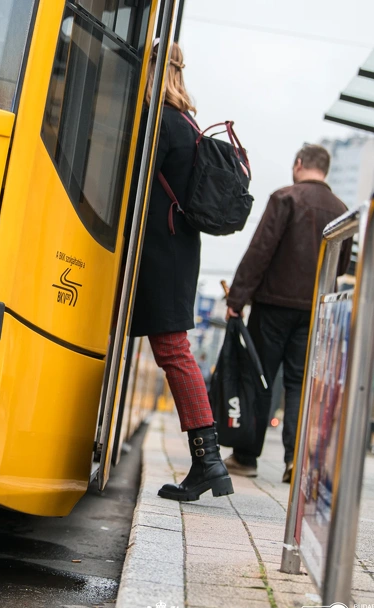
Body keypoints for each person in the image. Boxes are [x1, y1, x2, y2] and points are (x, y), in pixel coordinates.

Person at [131, 42, 233, 502]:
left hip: (162, 250)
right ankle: (204, 463)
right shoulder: (186, 120)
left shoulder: (162, 121)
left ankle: (208, 461)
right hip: (174, 248)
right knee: (174, 350)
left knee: (174, 351)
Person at [225, 144, 351, 483]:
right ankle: (295, 459)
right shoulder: (341, 210)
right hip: (313, 312)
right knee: (299, 383)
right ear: (324, 169)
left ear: (298, 165)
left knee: (260, 377)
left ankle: (246, 457)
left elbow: (260, 251)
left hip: (272, 307)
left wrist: (237, 298)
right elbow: (340, 265)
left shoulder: (285, 198)